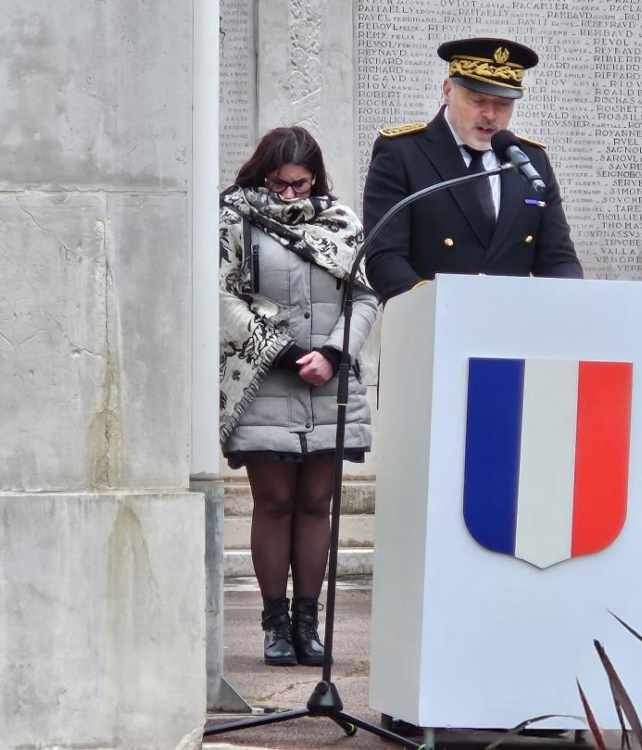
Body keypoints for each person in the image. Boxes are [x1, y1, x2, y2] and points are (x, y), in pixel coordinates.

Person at [219, 126, 378, 667]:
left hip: (330, 383)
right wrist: (286, 354)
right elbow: (221, 296)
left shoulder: (341, 222)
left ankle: (308, 625)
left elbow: (365, 296)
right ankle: (275, 626)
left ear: (316, 179)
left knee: (315, 503)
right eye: (279, 184)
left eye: (300, 184)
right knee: (274, 502)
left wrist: (333, 353)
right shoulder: (235, 220)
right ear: (262, 175)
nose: (289, 194)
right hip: (265, 380)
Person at [362, 37, 584, 301]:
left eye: (503, 104)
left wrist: (572, 301)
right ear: (448, 91)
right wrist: (435, 306)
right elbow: (385, 259)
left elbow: (558, 258)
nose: (490, 115)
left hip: (512, 318)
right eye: (478, 100)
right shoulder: (403, 152)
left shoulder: (531, 161)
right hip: (435, 318)